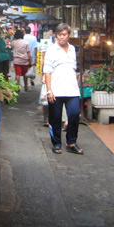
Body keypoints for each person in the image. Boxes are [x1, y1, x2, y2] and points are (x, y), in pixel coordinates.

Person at [43, 23, 82, 155]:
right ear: (56, 35)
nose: (62, 37)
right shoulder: (51, 50)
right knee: (55, 118)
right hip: (56, 90)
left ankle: (71, 142)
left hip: (72, 90)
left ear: (68, 35)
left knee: (75, 114)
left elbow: (73, 68)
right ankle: (56, 143)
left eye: (64, 35)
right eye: (59, 35)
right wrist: (49, 90)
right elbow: (47, 71)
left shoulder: (72, 49)